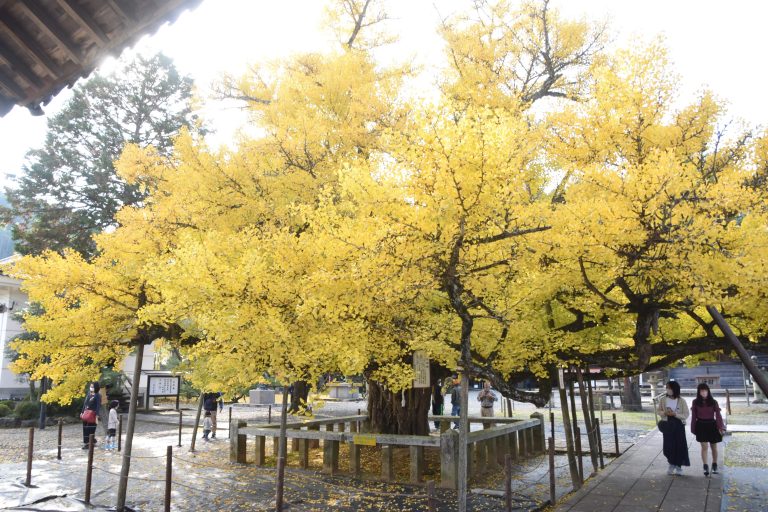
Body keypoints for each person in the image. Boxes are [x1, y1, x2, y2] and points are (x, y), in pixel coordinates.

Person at [690, 383, 725, 476]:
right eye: (701, 390)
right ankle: (705, 466)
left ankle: (714, 464)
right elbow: (693, 416)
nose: (704, 392)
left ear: (708, 391)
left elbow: (718, 415)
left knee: (714, 447)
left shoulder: (713, 402)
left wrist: (720, 427)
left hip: (712, 425)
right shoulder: (695, 402)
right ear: (699, 392)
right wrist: (693, 428)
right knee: (704, 447)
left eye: (705, 390)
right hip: (701, 425)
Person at [658, 380, 690, 475]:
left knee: (679, 445)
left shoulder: (681, 400)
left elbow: (686, 414)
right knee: (668, 446)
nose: (668, 390)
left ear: (674, 389)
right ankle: (671, 463)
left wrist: (675, 414)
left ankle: (678, 466)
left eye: (669, 388)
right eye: (667, 388)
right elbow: (659, 411)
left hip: (678, 425)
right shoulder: (663, 399)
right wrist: (664, 413)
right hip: (667, 425)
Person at [82, 381, 101, 449]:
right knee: (85, 428)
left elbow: (98, 406)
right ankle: (88, 442)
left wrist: (97, 416)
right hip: (86, 414)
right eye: (90, 387)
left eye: (92, 387)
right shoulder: (89, 394)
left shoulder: (97, 395)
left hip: (92, 415)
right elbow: (85, 404)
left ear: (96, 387)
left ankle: (89, 443)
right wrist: (82, 412)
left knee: (89, 429)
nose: (91, 388)